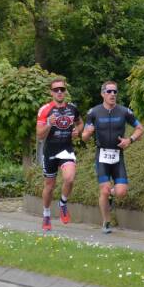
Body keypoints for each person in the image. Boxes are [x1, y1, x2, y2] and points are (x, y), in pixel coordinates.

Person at [81, 81, 144, 234]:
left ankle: (111, 196)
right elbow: (83, 137)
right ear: (103, 94)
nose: (113, 95)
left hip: (117, 156)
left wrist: (130, 140)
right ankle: (106, 222)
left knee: (121, 192)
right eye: (109, 92)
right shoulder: (93, 112)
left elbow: (140, 128)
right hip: (102, 156)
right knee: (104, 189)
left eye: (115, 92)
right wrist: (88, 133)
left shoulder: (124, 112)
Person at [36, 77, 83, 232]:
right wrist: (49, 123)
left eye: (62, 89)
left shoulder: (72, 108)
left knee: (69, 178)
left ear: (65, 91)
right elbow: (40, 135)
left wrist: (78, 130)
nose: (60, 92)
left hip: (66, 149)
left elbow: (80, 122)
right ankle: (46, 214)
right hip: (50, 151)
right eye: (56, 90)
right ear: (51, 92)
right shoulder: (45, 110)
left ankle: (63, 203)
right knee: (49, 186)